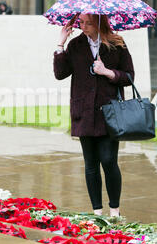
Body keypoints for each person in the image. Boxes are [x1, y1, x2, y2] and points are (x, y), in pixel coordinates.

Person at [53, 14, 135, 217]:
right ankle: (97, 212)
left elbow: (129, 76)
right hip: (84, 112)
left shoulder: (117, 44)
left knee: (108, 160)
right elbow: (60, 73)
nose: (83, 27)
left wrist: (107, 72)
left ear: (100, 23)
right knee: (91, 164)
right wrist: (60, 43)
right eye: (81, 22)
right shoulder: (75, 45)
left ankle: (114, 211)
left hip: (109, 113)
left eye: (88, 23)